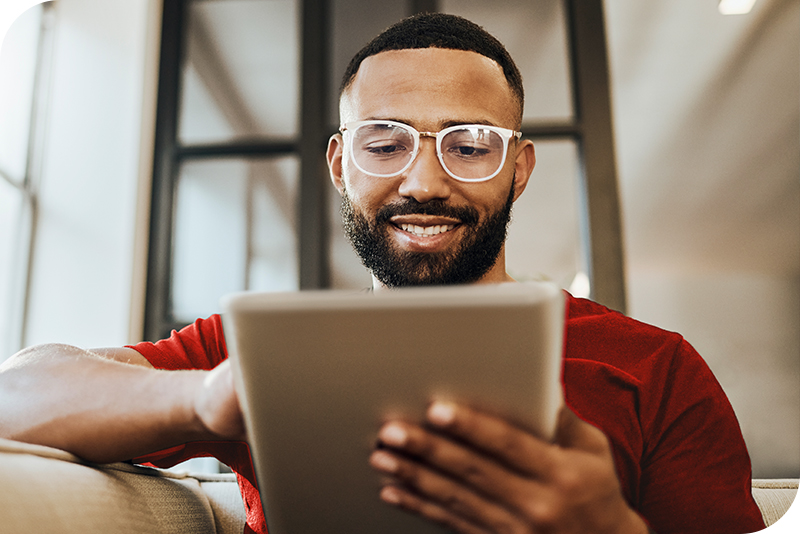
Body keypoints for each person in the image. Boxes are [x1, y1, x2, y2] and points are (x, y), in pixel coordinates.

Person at [0, 13, 765, 534]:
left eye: (468, 145)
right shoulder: (256, 350)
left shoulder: (656, 366)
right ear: (340, 163)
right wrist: (208, 397)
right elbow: (18, 396)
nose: (423, 182)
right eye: (384, 142)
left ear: (519, 169)